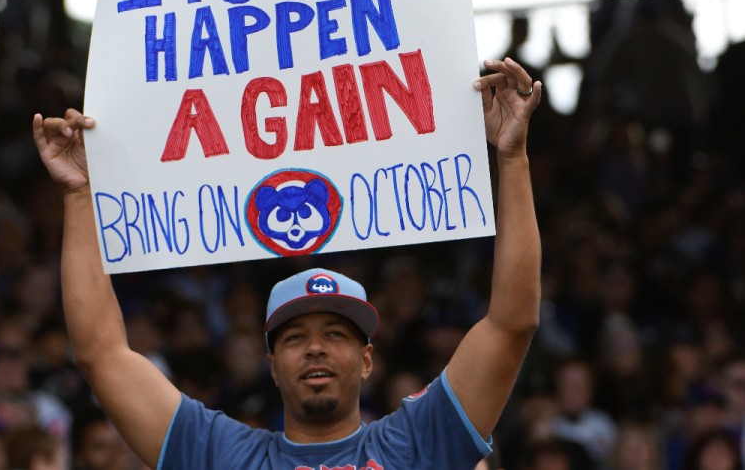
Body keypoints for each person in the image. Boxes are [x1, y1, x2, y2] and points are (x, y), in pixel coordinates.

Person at [32, 57, 543, 469]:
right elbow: (102, 354)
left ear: (367, 360)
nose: (315, 349)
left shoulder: (419, 442)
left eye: (337, 334)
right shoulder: (221, 457)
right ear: (271, 367)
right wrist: (79, 197)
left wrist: (512, 160)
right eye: (294, 338)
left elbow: (512, 323)